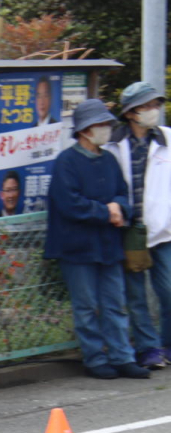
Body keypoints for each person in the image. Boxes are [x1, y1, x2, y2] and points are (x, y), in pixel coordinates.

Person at [45, 99, 147, 380]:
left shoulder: (109, 159)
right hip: (77, 247)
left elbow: (122, 193)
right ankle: (94, 358)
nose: (106, 129)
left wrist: (119, 207)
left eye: (107, 124)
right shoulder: (66, 161)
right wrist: (107, 211)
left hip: (109, 244)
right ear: (84, 129)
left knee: (115, 302)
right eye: (100, 124)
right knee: (86, 306)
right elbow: (69, 203)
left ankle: (122, 356)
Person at [104, 81, 171, 370]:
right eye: (146, 106)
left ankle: (168, 343)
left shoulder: (168, 139)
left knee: (169, 290)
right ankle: (148, 348)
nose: (153, 110)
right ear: (130, 113)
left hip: (164, 231)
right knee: (136, 294)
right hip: (128, 231)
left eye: (155, 105)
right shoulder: (112, 144)